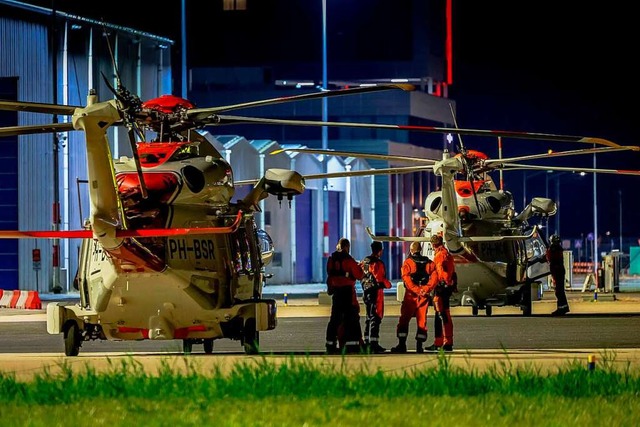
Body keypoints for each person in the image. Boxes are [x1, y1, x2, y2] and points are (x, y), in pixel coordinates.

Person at [390, 241, 436, 354]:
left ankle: (402, 345)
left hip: (411, 296)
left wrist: (417, 290)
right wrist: (425, 289)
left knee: (404, 320)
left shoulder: (408, 263)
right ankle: (419, 346)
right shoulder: (429, 263)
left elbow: (406, 279)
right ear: (420, 250)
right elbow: (435, 278)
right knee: (422, 321)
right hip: (424, 296)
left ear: (411, 250)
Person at [325, 237, 365, 354]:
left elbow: (330, 275)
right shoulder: (349, 260)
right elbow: (359, 275)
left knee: (335, 320)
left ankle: (330, 345)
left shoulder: (332, 260)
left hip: (337, 293)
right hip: (347, 293)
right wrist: (360, 267)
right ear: (347, 247)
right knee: (352, 320)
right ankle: (353, 346)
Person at [359, 241, 392, 354]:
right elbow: (380, 279)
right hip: (376, 293)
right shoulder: (378, 263)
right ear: (380, 250)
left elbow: (360, 274)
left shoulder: (365, 261)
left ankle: (367, 341)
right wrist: (388, 284)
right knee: (376, 318)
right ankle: (374, 344)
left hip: (366, 292)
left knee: (368, 318)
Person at [425, 234, 456, 352]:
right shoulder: (447, 253)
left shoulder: (439, 255)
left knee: (441, 316)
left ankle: (443, 342)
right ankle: (445, 341)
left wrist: (431, 287)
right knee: (444, 315)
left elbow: (441, 273)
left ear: (433, 245)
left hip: (441, 289)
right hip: (446, 288)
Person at [546, 234, 570, 316]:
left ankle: (561, 308)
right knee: (560, 291)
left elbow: (550, 258)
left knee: (559, 291)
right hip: (559, 271)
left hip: (557, 271)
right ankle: (563, 307)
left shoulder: (554, 248)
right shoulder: (558, 248)